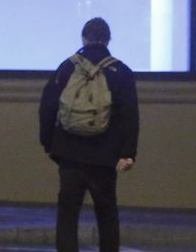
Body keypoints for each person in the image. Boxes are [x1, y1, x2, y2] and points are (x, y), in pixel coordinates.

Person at [39, 17, 139, 252]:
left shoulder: (66, 67)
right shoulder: (121, 71)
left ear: (84, 38)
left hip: (69, 153)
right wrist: (128, 153)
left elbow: (47, 107)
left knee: (67, 215)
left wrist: (48, 142)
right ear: (107, 39)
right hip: (105, 156)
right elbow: (130, 116)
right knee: (106, 214)